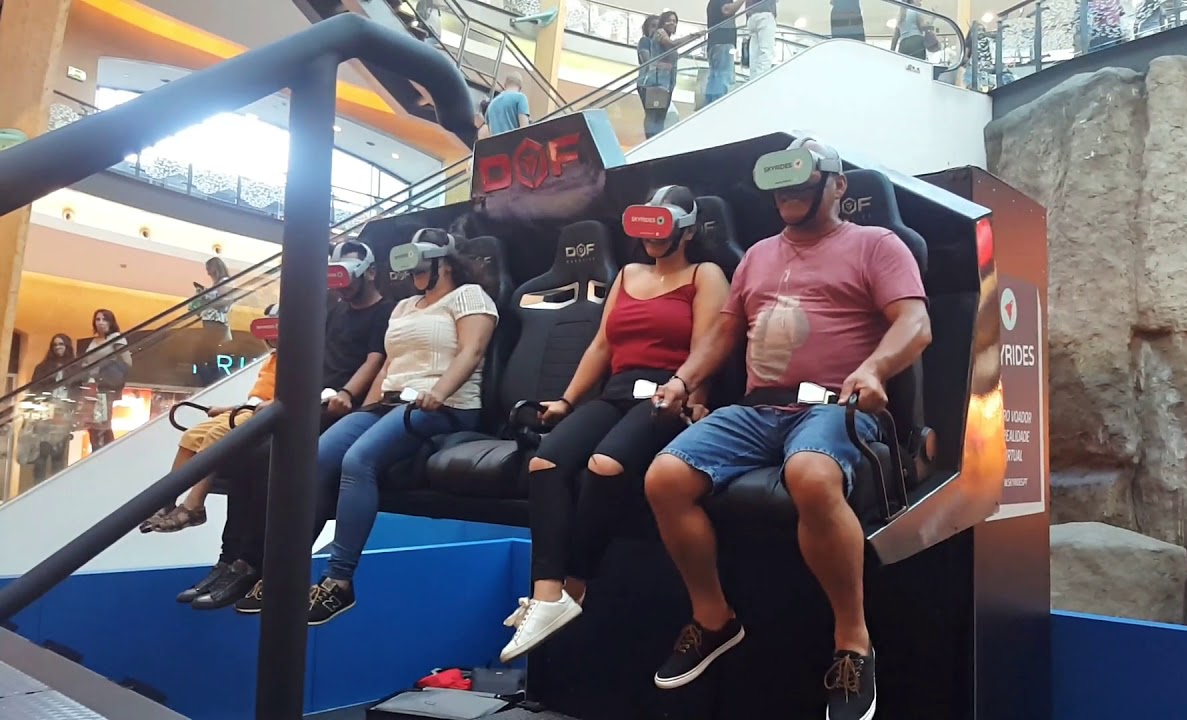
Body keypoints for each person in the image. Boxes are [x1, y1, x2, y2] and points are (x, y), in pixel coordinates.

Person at [643, 139, 931, 720]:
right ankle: (714, 618)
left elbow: (915, 322)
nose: (789, 194)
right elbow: (724, 335)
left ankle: (853, 642)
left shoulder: (877, 244)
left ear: (838, 185)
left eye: (802, 181)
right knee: (664, 478)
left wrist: (875, 368)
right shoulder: (756, 255)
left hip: (835, 406)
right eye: (781, 184)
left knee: (810, 474)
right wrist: (683, 379)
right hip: (757, 411)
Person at [498, 186, 730, 662]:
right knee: (545, 463)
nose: (652, 235)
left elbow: (709, 347)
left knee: (605, 465)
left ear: (685, 230)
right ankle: (546, 594)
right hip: (617, 391)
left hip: (669, 395)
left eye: (662, 224)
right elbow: (602, 346)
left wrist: (695, 399)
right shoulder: (626, 274)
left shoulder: (704, 274)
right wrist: (566, 401)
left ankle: (574, 585)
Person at [176, 241, 395, 610]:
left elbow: (375, 360)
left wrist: (347, 394)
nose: (341, 286)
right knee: (243, 449)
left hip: (342, 408)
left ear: (370, 272)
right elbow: (309, 358)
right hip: (309, 403)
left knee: (270, 458)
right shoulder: (334, 311)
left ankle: (250, 563)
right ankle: (228, 560)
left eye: (348, 276)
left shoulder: (385, 311)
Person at [305, 230, 499, 625]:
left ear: (444, 263)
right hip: (392, 401)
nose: (414, 275)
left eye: (421, 267)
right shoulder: (405, 306)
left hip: (446, 404)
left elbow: (472, 351)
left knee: (358, 460)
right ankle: (286, 566)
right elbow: (390, 365)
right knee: (320, 456)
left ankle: (339, 580)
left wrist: (439, 392)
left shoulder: (470, 296)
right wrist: (366, 409)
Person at [140, 305, 282, 535]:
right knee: (192, 436)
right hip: (248, 409)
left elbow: (292, 395)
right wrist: (226, 409)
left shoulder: (297, 360)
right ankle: (168, 500)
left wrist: (273, 405)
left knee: (216, 435)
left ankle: (195, 504)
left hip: (263, 415)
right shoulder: (271, 360)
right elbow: (256, 398)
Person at [642, 12, 704, 139]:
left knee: (660, 116)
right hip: (657, 81)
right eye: (669, 20)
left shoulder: (666, 37)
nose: (672, 23)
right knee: (654, 115)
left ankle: (655, 140)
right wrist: (692, 36)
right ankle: (650, 140)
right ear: (662, 22)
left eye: (675, 21)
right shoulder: (660, 33)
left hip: (667, 83)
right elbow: (671, 44)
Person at [28, 334, 81, 483]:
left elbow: (78, 391)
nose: (58, 347)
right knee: (41, 455)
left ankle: (57, 487)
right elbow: (34, 389)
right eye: (55, 345)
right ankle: (38, 487)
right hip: (45, 413)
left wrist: (74, 411)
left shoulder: (75, 367)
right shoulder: (42, 367)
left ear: (67, 346)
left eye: (61, 344)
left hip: (64, 414)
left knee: (58, 455)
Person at [83, 309, 131, 451]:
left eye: (104, 319)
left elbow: (127, 362)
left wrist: (107, 367)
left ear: (111, 322)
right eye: (98, 319)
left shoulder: (116, 338)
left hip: (105, 386)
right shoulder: (94, 341)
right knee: (91, 422)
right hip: (91, 385)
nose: (101, 322)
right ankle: (96, 449)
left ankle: (105, 451)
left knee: (102, 422)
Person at [193, 257, 235, 387]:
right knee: (209, 355)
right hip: (212, 323)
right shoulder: (219, 284)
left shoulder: (225, 282)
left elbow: (224, 304)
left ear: (215, 268)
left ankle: (211, 383)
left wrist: (206, 296)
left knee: (199, 355)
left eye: (209, 269)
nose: (208, 272)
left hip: (216, 324)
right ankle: (213, 383)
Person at [704, 0, 745, 105]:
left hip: (715, 43)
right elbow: (727, 10)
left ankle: (710, 104)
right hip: (723, 42)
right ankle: (719, 104)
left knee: (715, 76)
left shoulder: (712, 3)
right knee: (723, 76)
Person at [744, 0, 777, 80]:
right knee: (766, 52)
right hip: (765, 13)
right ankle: (760, 81)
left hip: (751, 16)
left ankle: (753, 79)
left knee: (754, 54)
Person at [636, 15, 660, 108]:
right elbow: (647, 61)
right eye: (653, 26)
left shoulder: (661, 45)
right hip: (647, 83)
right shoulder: (645, 41)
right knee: (652, 112)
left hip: (659, 84)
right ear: (647, 29)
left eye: (659, 27)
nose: (656, 29)